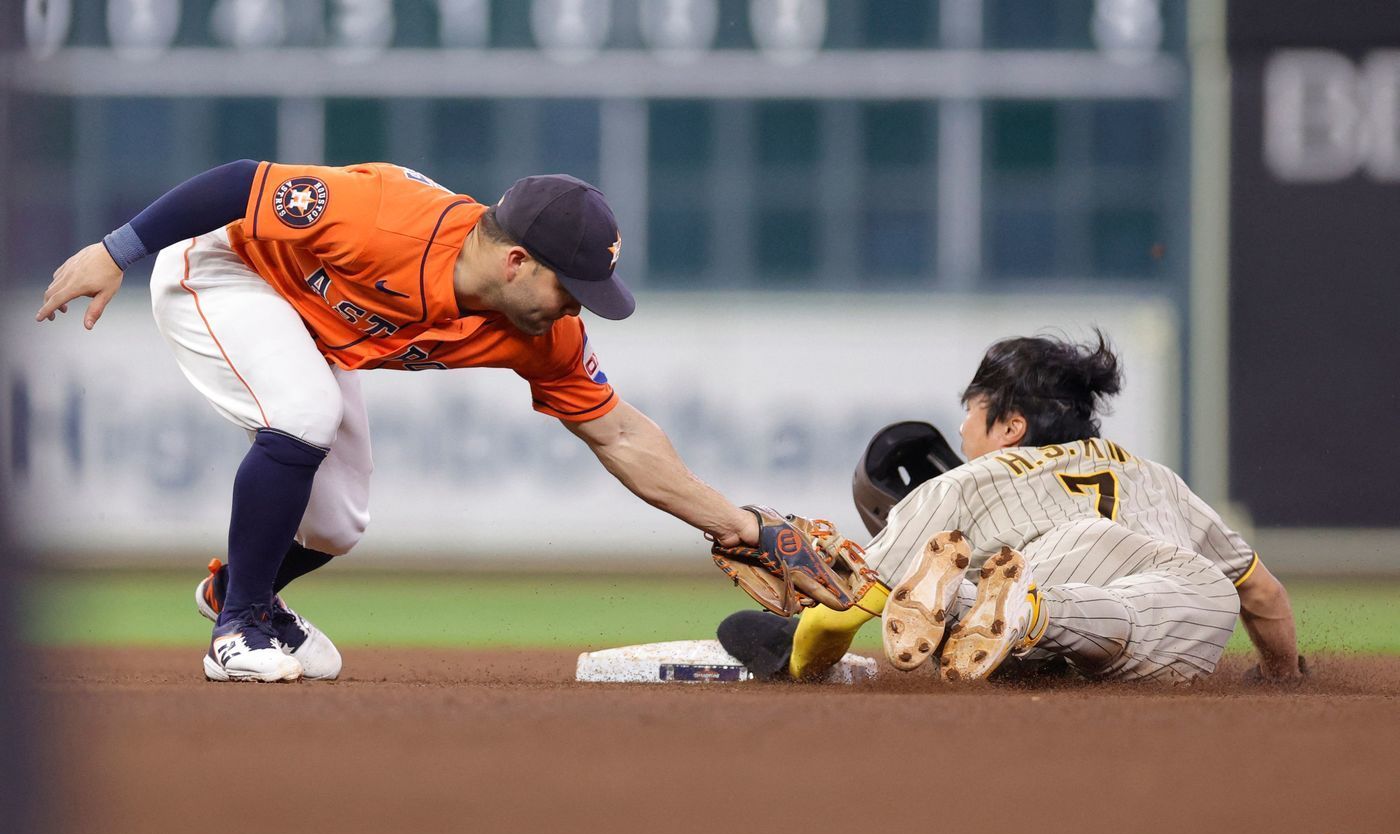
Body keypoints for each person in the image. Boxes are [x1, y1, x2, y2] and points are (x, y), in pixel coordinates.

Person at [38, 160, 765, 683]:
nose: (578, 307)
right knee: (305, 415)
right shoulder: (383, 219)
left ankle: (236, 588)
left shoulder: (544, 331)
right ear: (515, 261)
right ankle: (238, 628)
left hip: (307, 323)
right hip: (224, 270)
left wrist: (741, 525)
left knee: (338, 523)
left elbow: (619, 432)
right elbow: (239, 183)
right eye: (571, 289)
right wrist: (114, 252)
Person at [723, 331, 1302, 686]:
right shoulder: (1157, 478)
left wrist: (794, 657)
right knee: (1177, 604)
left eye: (972, 410)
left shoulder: (970, 481)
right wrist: (1280, 674)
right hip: (1173, 597)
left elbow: (853, 608)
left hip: (1052, 566)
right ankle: (1022, 612)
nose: (961, 425)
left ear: (1010, 426)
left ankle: (998, 609)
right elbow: (1264, 595)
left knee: (994, 618)